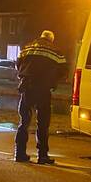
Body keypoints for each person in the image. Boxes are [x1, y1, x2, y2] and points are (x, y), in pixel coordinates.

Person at [14, 30, 66, 164]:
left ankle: (19, 154)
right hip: (43, 89)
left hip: (27, 87)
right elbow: (63, 69)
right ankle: (42, 156)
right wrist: (53, 82)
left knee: (24, 123)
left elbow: (18, 64)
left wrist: (24, 76)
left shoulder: (28, 47)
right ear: (51, 39)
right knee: (43, 124)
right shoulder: (56, 51)